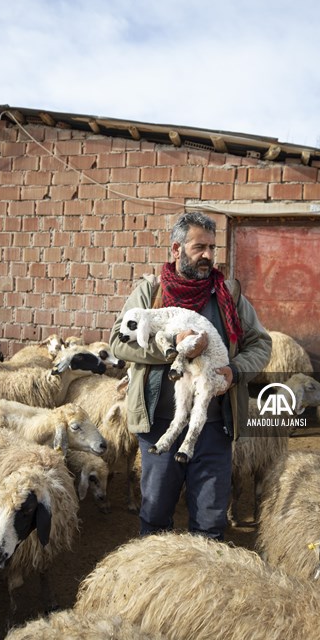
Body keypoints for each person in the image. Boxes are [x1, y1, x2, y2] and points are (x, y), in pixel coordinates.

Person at [109, 212, 271, 540]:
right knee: (155, 520)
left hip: (213, 430)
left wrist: (234, 372)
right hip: (159, 428)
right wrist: (172, 348)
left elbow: (261, 344)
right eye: (199, 247)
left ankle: (203, 589)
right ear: (176, 249)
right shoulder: (150, 292)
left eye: (212, 248)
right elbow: (117, 342)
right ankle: (156, 587)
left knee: (210, 525)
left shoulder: (228, 296)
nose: (208, 255)